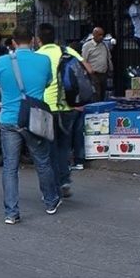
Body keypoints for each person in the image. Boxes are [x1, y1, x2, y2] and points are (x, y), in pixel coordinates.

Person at [0, 27, 60, 224]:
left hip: (9, 119)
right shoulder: (43, 60)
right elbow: (47, 83)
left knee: (10, 167)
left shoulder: (1, 62)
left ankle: (11, 213)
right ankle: (51, 201)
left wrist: (4, 99)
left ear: (12, 42)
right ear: (33, 41)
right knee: (42, 162)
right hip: (33, 118)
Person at [36, 23, 91, 200]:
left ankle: (54, 187)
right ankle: (65, 181)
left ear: (38, 40)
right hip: (68, 107)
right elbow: (88, 69)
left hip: (46, 108)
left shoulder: (37, 56)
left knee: (49, 149)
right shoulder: (66, 50)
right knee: (63, 147)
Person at [81, 27, 113, 101]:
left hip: (103, 74)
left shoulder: (104, 45)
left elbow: (108, 58)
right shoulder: (87, 46)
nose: (101, 37)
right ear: (94, 35)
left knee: (102, 93)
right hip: (94, 74)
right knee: (96, 94)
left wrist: (110, 68)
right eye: (99, 35)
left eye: (102, 35)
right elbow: (84, 60)